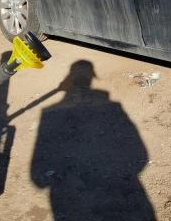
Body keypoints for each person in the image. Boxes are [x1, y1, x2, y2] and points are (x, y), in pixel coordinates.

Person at [31, 60, 155, 220]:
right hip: (126, 195)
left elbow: (38, 178)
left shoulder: (49, 114)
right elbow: (140, 155)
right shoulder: (113, 107)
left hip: (69, 203)